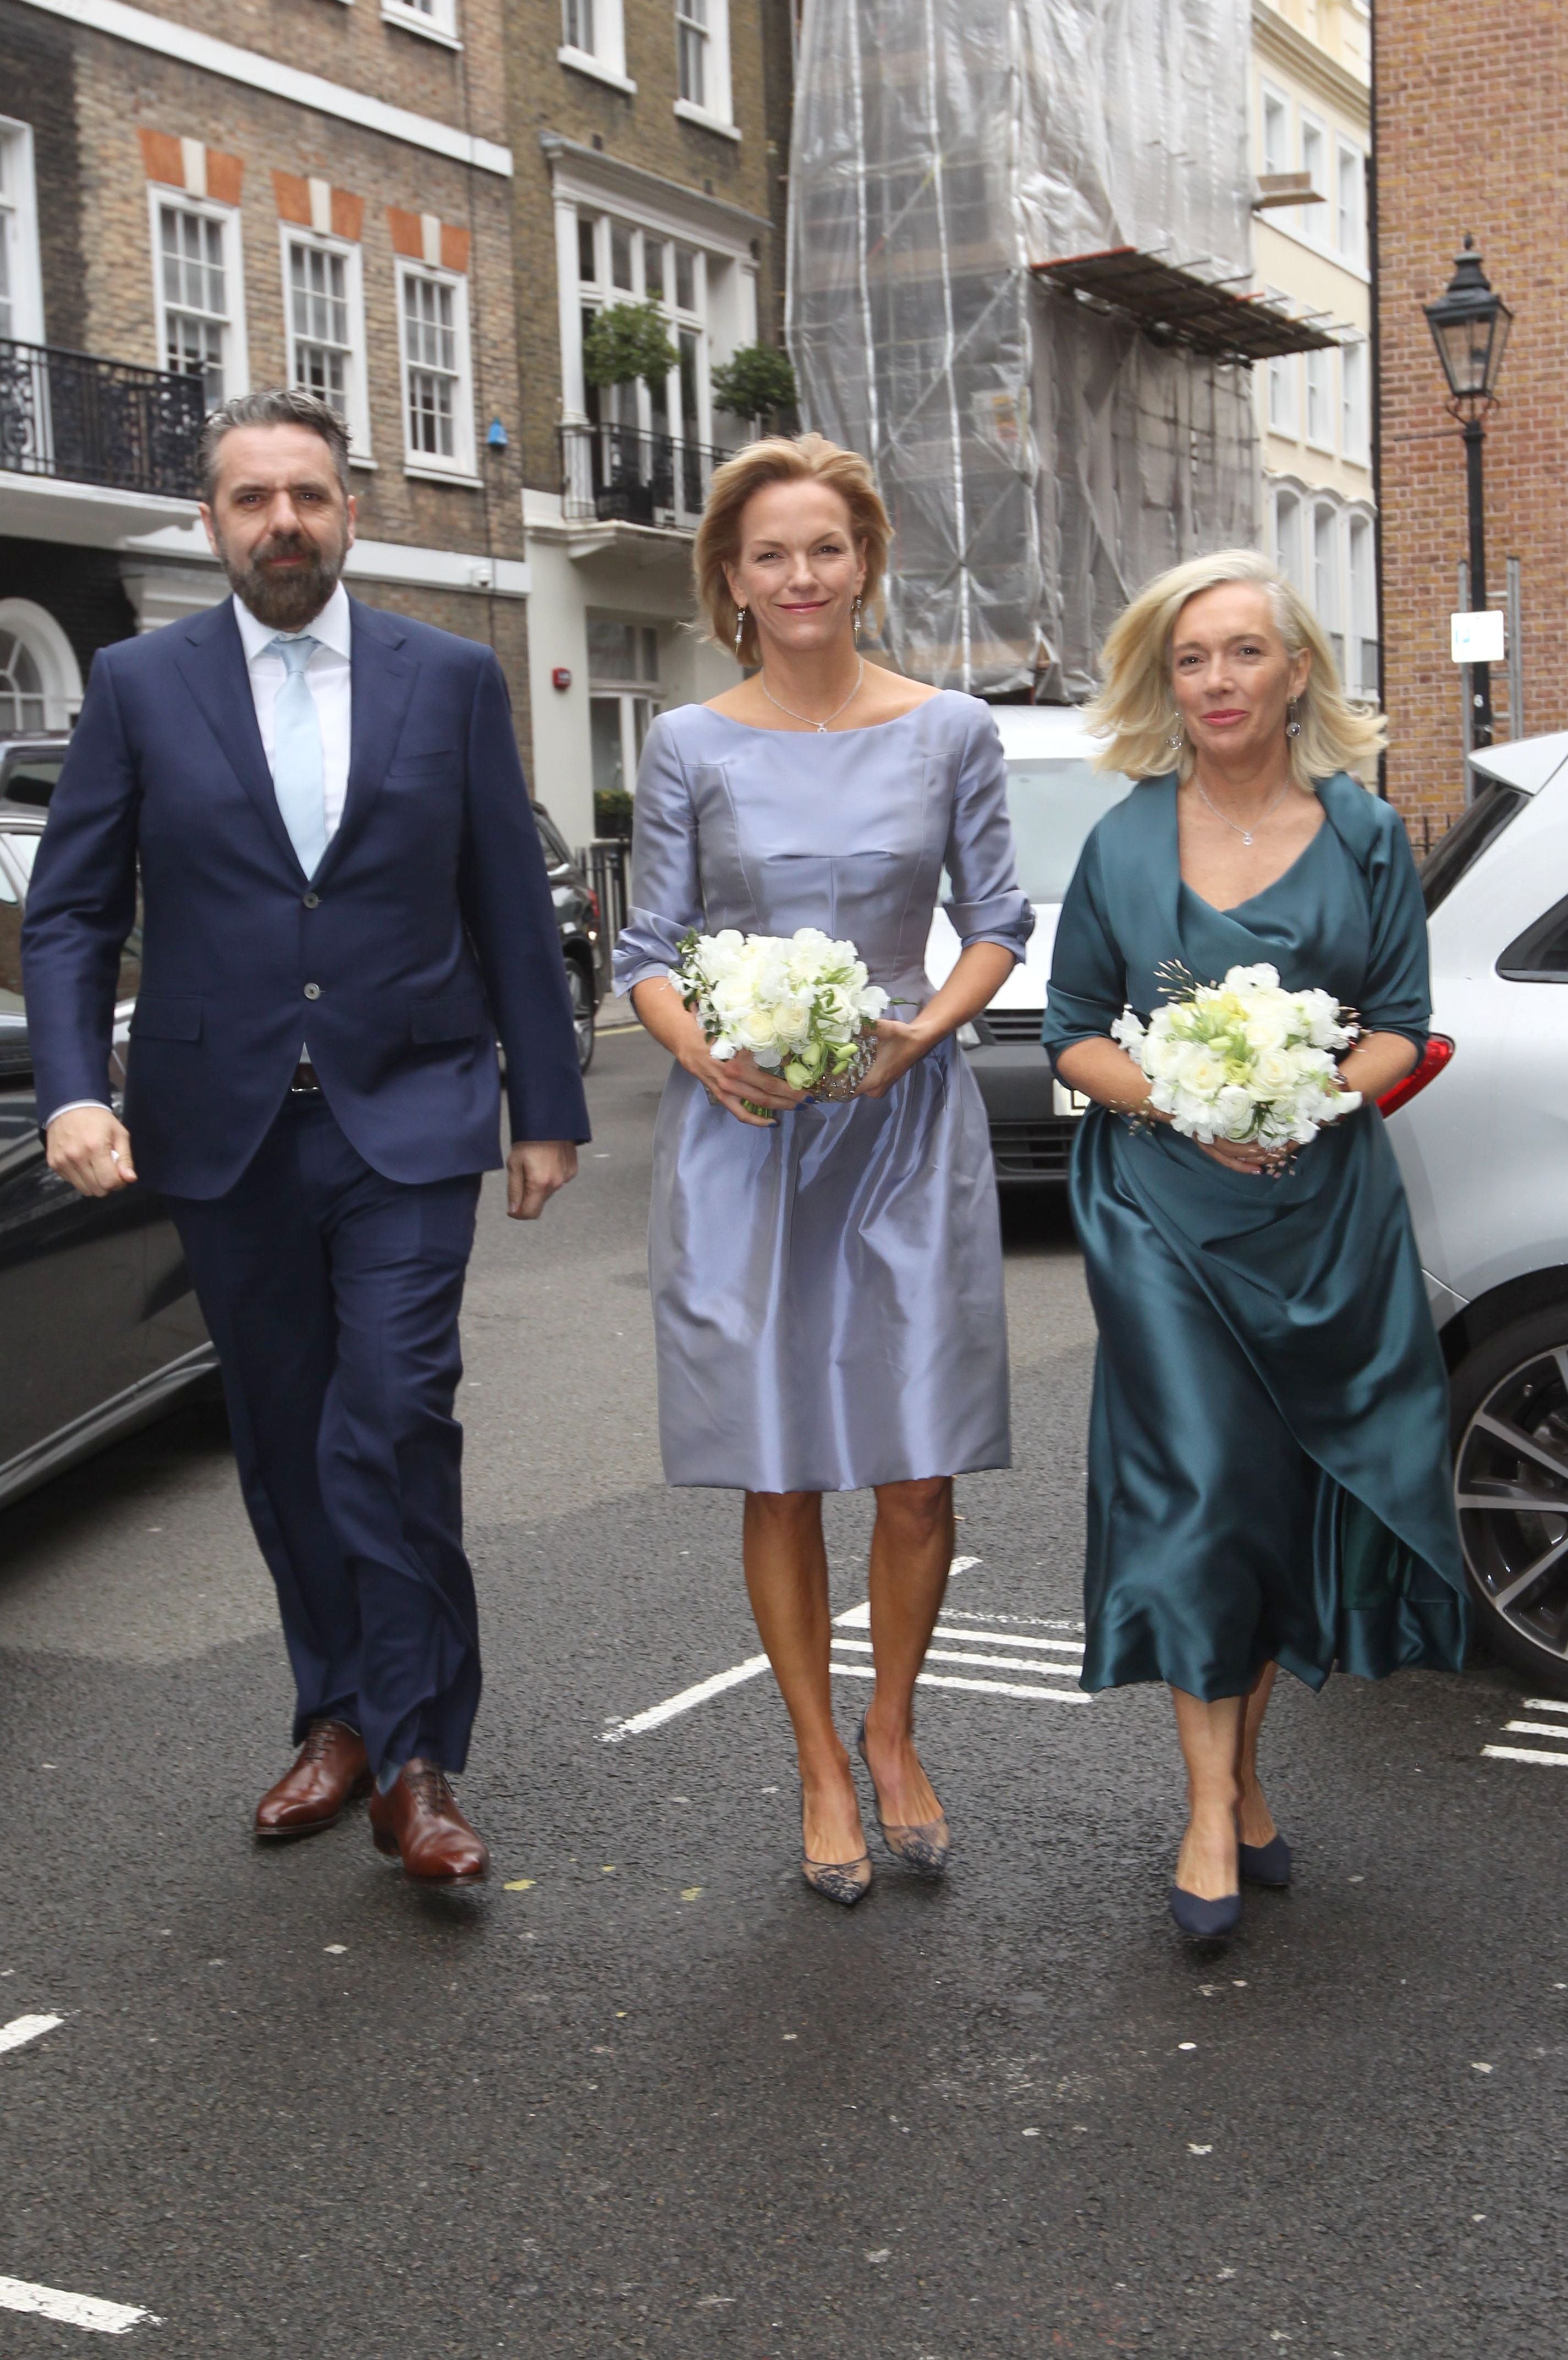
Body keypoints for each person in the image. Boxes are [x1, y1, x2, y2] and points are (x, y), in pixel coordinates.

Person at [21, 388, 588, 1886]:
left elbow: (505, 908)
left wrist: (547, 1103)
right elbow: (72, 909)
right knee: (281, 1438)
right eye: (254, 498)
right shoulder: (142, 688)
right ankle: (332, 1710)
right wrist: (73, 1088)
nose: (285, 521)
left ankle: (414, 1756)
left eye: (311, 496)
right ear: (213, 523)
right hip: (221, 1132)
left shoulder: (450, 678)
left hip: (405, 1113)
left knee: (392, 1415)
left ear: (350, 512)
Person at [614, 433, 1032, 1905]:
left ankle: (894, 1724)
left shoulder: (951, 730)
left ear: (865, 564)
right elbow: (646, 950)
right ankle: (816, 1757)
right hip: (746, 1132)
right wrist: (700, 1053)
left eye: (826, 549)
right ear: (730, 579)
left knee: (914, 1470)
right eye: (770, 554)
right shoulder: (686, 744)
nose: (801, 576)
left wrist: (921, 1031)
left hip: (902, 1119)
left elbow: (995, 919)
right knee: (778, 1464)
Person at [1040, 548, 1468, 1939]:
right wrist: (1188, 1101)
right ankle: (1208, 1809)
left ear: (1295, 673)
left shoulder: (1364, 833)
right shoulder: (1120, 842)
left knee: (1270, 1509)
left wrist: (1306, 1093)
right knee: (1200, 1494)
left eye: (1241, 653)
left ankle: (1244, 1780)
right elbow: (1074, 1037)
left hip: (1320, 1217)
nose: (1215, 681)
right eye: (1189, 658)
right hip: (1161, 1214)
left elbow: (1399, 1019)